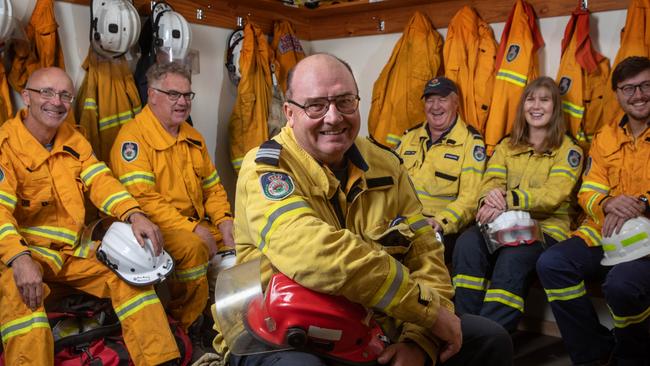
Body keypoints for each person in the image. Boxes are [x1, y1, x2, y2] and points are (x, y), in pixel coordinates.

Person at [221, 53, 512, 366]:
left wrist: (419, 339)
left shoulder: (386, 164)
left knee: (490, 339)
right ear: (290, 113)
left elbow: (426, 255)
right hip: (276, 332)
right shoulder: (265, 168)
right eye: (316, 105)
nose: (333, 117)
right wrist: (425, 310)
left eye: (345, 101)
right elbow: (315, 254)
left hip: (375, 329)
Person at [0, 67, 180, 365]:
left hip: (72, 253)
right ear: (26, 97)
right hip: (23, 255)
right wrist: (19, 259)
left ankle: (161, 360)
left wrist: (133, 213)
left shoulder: (74, 140)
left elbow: (101, 181)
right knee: (24, 308)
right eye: (46, 92)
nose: (56, 102)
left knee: (132, 279)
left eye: (64, 95)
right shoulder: (5, 146)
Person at [536, 56, 650, 365]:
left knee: (621, 285)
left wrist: (643, 204)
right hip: (602, 232)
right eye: (629, 88)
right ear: (617, 94)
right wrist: (606, 203)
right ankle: (592, 354)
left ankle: (632, 356)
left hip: (646, 244)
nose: (638, 95)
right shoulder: (605, 137)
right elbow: (589, 187)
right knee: (552, 263)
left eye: (646, 86)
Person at [109, 62, 235, 334]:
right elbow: (143, 199)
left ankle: (230, 323)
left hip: (198, 223)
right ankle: (188, 326)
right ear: (152, 95)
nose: (182, 102)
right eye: (173, 95)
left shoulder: (193, 137)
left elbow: (212, 188)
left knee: (248, 244)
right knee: (193, 247)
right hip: (157, 226)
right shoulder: (133, 139)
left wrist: (225, 221)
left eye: (187, 95)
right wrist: (192, 229)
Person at [452, 76, 583, 332]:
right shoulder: (507, 145)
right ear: (523, 107)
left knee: (513, 256)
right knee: (466, 243)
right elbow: (491, 180)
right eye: (530, 100)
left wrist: (507, 200)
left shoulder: (568, 150)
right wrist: (490, 199)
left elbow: (553, 194)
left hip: (545, 230)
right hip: (502, 222)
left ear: (555, 107)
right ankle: (462, 329)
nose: (536, 106)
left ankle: (490, 338)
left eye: (544, 100)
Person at [395, 76, 486, 261]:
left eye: (442, 99)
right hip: (401, 222)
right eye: (430, 100)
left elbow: (470, 198)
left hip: (439, 227)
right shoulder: (408, 137)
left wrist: (440, 222)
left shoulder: (471, 142)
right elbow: (389, 179)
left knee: (417, 258)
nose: (435, 106)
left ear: (456, 103)